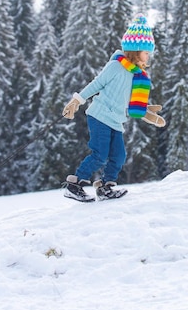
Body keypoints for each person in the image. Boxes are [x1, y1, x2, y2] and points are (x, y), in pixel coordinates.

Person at [61, 14, 166, 202]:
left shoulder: (137, 76)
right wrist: (77, 101)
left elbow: (130, 101)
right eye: (147, 52)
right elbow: (96, 84)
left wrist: (146, 110)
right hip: (100, 115)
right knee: (100, 155)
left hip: (116, 120)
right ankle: (74, 185)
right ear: (136, 50)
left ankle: (105, 187)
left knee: (118, 156)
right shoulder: (115, 67)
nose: (148, 57)